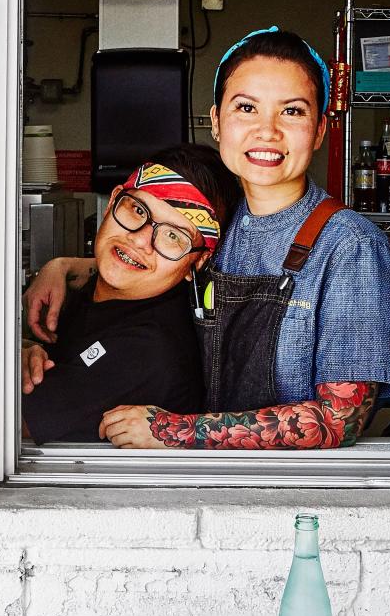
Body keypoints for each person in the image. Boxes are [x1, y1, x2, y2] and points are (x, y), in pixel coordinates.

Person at [25, 27, 390, 450]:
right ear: (217, 122)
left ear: (318, 131)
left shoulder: (351, 247)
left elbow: (340, 419)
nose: (267, 131)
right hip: (210, 479)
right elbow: (158, 260)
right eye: (246, 107)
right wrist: (64, 268)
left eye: (292, 112)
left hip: (296, 488)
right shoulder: (217, 226)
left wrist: (178, 431)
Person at [21, 144, 239, 444]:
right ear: (113, 203)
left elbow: (2, 421)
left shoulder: (151, 349)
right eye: (137, 210)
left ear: (197, 262)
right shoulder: (99, 286)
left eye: (173, 236)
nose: (139, 240)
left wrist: (8, 359)